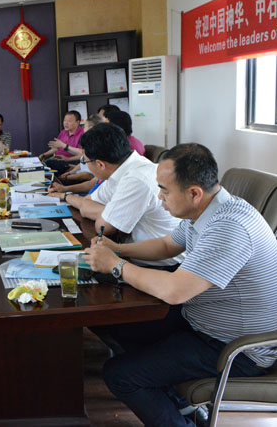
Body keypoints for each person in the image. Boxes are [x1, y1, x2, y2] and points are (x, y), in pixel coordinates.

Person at [83, 143, 277, 427]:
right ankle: (176, 401)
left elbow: (175, 291)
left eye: (164, 190)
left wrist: (116, 265)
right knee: (115, 322)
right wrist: (118, 250)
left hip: (235, 349)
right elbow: (167, 245)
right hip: (201, 320)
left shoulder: (229, 227)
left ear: (194, 193)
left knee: (120, 375)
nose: (159, 197)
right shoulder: (208, 209)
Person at [66, 123, 181, 267]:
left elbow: (103, 227)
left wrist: (111, 214)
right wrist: (112, 211)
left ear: (100, 164)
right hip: (130, 253)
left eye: (85, 160)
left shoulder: (136, 179)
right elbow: (86, 203)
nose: (85, 164)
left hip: (157, 266)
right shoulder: (120, 169)